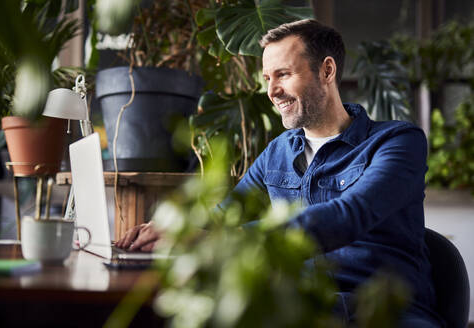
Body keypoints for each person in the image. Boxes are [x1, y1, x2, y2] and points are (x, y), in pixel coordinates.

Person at [116, 19, 443, 327]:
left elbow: (349, 214)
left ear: (326, 70)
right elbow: (224, 214)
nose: (272, 91)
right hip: (301, 310)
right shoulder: (278, 152)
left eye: (283, 74)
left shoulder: (397, 141)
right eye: (267, 78)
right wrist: (168, 228)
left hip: (383, 315)